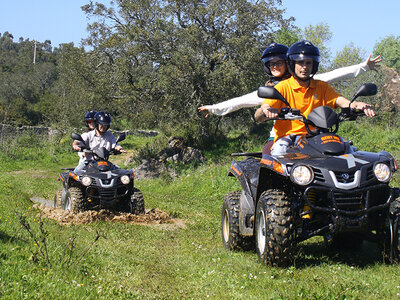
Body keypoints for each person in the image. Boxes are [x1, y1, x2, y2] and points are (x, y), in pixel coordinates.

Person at [198, 44, 381, 118]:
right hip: (285, 135)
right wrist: (213, 108)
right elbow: (241, 101)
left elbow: (336, 75)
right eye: (271, 64)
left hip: (317, 132)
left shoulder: (316, 82)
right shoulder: (276, 88)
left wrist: (363, 67)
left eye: (279, 62)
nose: (275, 66)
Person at [258, 40, 375, 156]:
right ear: (292, 64)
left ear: (314, 65)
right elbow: (266, 105)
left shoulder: (322, 86)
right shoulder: (282, 87)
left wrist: (356, 105)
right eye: (300, 62)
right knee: (279, 151)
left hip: (319, 136)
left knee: (350, 151)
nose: (304, 67)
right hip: (290, 137)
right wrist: (267, 110)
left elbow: (340, 101)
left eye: (308, 63)